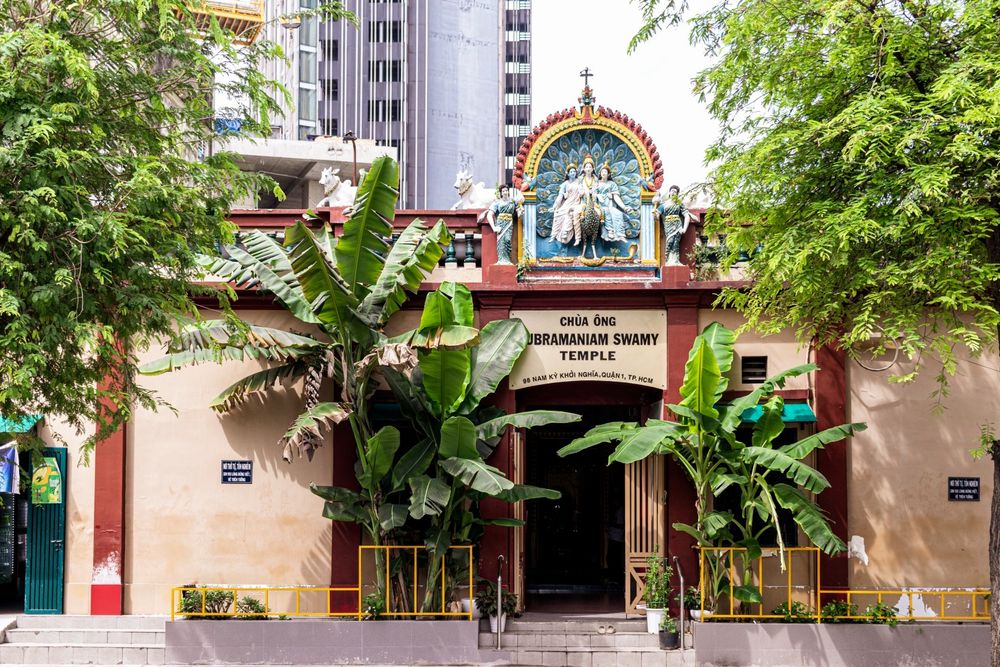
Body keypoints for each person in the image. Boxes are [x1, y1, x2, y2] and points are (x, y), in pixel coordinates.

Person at [479, 184, 517, 264]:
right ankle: (501, 260)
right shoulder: (497, 203)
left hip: (509, 223)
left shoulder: (513, 202)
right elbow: (490, 215)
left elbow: (517, 211)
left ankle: (507, 260)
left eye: (506, 190)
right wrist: (494, 227)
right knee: (501, 242)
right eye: (503, 191)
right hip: (500, 224)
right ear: (501, 193)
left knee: (507, 240)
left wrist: (520, 211)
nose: (505, 192)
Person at [595, 162, 630, 243]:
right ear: (600, 173)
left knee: (618, 213)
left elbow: (616, 197)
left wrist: (624, 207)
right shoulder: (597, 183)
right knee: (606, 212)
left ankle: (620, 234)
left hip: (610, 204)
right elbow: (593, 194)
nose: (603, 173)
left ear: (608, 174)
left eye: (605, 172)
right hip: (600, 205)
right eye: (602, 172)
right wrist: (598, 196)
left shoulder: (612, 184)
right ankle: (610, 231)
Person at [656, 185, 690, 266]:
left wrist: (684, 228)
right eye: (672, 191)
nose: (673, 193)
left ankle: (676, 261)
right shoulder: (663, 205)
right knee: (670, 241)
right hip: (668, 224)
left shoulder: (679, 204)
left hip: (677, 225)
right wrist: (654, 213)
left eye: (675, 192)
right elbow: (657, 217)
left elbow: (687, 215)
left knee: (676, 243)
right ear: (669, 192)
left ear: (677, 194)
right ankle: (668, 260)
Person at [550, 163, 581, 246]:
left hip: (576, 204)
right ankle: (554, 234)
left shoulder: (579, 181)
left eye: (574, 171)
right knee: (558, 213)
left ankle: (565, 232)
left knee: (569, 213)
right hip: (567, 203)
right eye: (571, 172)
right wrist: (554, 206)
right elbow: (559, 197)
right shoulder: (565, 184)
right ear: (568, 173)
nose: (573, 173)